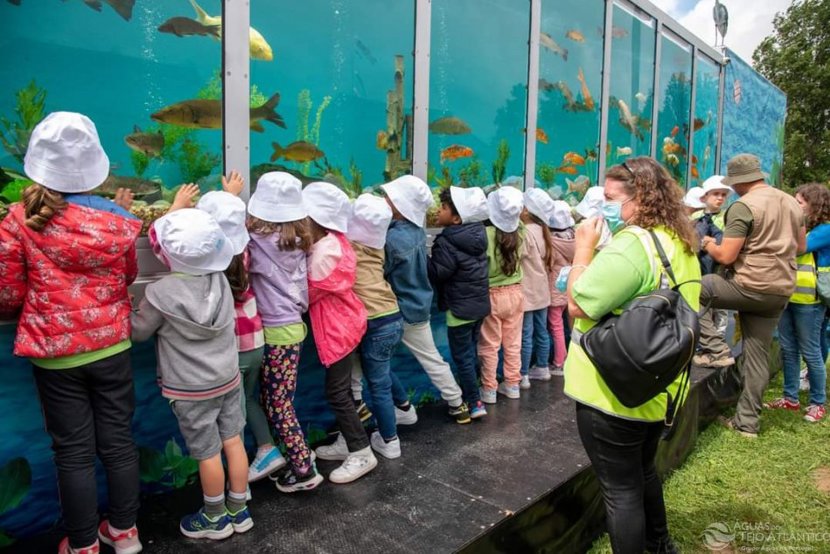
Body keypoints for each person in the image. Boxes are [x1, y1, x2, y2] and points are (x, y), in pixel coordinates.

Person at [0, 112, 143, 554]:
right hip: (113, 346)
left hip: (57, 356)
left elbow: (7, 292)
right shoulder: (119, 220)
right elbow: (129, 275)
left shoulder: (21, 219)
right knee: (119, 442)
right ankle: (124, 532)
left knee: (74, 453)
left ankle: (82, 545)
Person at [565, 156, 701, 554]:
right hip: (658, 382)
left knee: (619, 490)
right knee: (642, 472)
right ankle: (659, 546)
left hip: (614, 388)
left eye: (609, 198)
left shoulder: (633, 243)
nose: (603, 206)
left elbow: (578, 302)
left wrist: (583, 250)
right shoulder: (679, 240)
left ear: (638, 198)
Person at [131, 209, 252, 541]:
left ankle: (214, 517)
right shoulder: (220, 281)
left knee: (207, 452)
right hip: (227, 379)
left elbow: (138, 332)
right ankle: (239, 509)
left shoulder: (160, 293)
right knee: (232, 440)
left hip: (190, 391)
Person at [696, 153, 805, 438]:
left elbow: (727, 255)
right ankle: (747, 425)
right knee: (757, 356)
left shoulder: (743, 206)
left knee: (695, 288)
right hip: (780, 289)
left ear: (740, 182)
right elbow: (801, 245)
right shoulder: (792, 202)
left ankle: (715, 350)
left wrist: (707, 242)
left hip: (748, 284)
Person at [246, 172, 322, 491]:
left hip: (276, 332)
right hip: (294, 327)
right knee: (280, 397)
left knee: (278, 403)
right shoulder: (300, 241)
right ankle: (296, 455)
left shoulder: (259, 242)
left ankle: (303, 467)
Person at [304, 182, 378, 483]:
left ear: (315, 222)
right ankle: (349, 440)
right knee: (344, 390)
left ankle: (362, 452)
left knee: (337, 393)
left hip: (336, 331)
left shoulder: (322, 256)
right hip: (347, 324)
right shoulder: (335, 241)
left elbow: (304, 296)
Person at [381, 175, 469, 422]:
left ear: (399, 206)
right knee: (432, 358)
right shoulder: (417, 232)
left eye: (389, 198)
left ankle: (396, 407)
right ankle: (458, 403)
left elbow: (383, 271)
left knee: (373, 360)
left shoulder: (392, 240)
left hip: (399, 308)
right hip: (420, 306)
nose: (384, 200)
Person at [347, 193, 410, 456]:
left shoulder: (348, 248)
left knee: (377, 385)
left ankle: (389, 440)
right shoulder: (377, 246)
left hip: (373, 321)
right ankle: (406, 409)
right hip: (392, 314)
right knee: (381, 374)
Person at [764, 183, 829, 423]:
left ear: (814, 205)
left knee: (811, 351)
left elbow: (797, 248)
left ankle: (817, 402)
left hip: (809, 300)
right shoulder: (802, 227)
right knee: (788, 349)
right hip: (787, 295)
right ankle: (790, 397)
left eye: (799, 202)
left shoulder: (824, 230)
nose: (794, 206)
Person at [428, 186, 491, 420]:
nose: (438, 210)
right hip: (478, 307)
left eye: (443, 208)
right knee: (470, 352)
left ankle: (474, 401)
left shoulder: (447, 241)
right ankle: (476, 392)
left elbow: (438, 273)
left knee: (462, 356)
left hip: (460, 310)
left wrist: (423, 259)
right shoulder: (477, 235)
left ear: (456, 218)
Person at [479, 186, 525, 403]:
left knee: (490, 344)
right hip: (516, 293)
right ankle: (513, 384)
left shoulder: (485, 235)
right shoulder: (520, 233)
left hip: (492, 295)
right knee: (513, 342)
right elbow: (518, 221)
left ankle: (489, 389)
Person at [520, 189, 554, 388]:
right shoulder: (544, 231)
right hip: (542, 292)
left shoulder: (524, 233)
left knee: (525, 334)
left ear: (526, 210)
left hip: (527, 292)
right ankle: (543, 367)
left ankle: (523, 374)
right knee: (542, 331)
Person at [547, 200, 576, 377]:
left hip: (555, 289)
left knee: (556, 325)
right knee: (570, 324)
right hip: (569, 286)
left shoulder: (551, 241)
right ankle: (571, 356)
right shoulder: (575, 236)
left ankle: (559, 362)